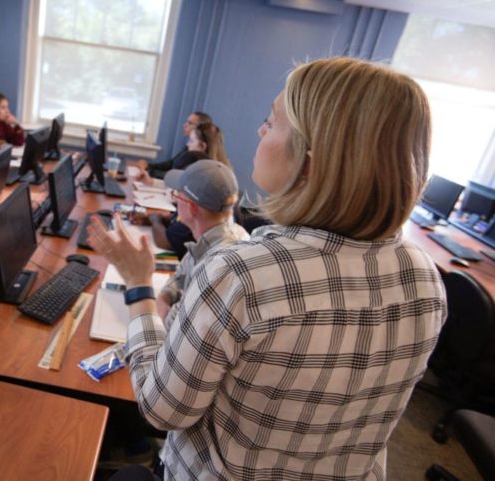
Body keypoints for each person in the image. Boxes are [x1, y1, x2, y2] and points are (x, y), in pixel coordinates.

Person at [90, 57, 446, 480]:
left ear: (311, 157)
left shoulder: (241, 275)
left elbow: (161, 408)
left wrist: (138, 287)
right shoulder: (425, 277)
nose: (260, 130)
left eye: (272, 122)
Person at [155, 160, 249, 328]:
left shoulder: (215, 267)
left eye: (177, 196)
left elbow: (172, 327)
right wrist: (164, 298)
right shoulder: (220, 234)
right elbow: (180, 276)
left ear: (191, 208)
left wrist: (141, 289)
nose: (175, 203)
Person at [136, 122, 233, 258]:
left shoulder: (200, 203)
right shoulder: (218, 179)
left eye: (178, 192)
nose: (188, 145)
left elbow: (167, 240)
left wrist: (156, 220)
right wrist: (161, 219)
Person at [131, 111, 212, 180]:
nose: (184, 125)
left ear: (200, 128)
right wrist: (149, 165)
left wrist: (148, 169)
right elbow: (171, 163)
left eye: (190, 123)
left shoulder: (197, 157)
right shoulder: (189, 147)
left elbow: (175, 176)